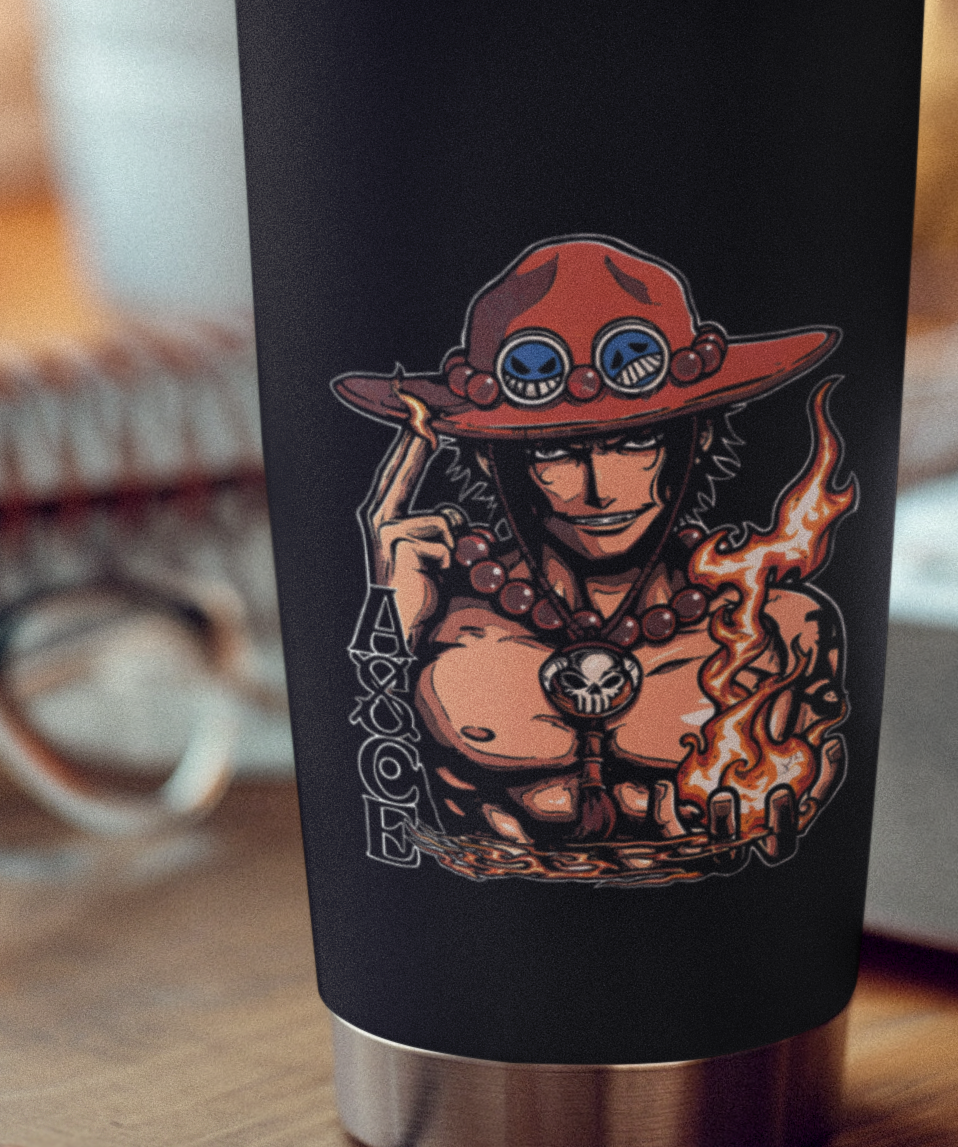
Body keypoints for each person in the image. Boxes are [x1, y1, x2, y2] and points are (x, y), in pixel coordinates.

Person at [333, 237, 854, 869]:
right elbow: (377, 823)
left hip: (724, 949)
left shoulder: (775, 622)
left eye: (636, 441)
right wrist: (387, 621)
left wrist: (791, 790)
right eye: (553, 451)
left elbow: (821, 771)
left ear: (700, 436)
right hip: (473, 948)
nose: (599, 486)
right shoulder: (441, 612)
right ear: (488, 459)